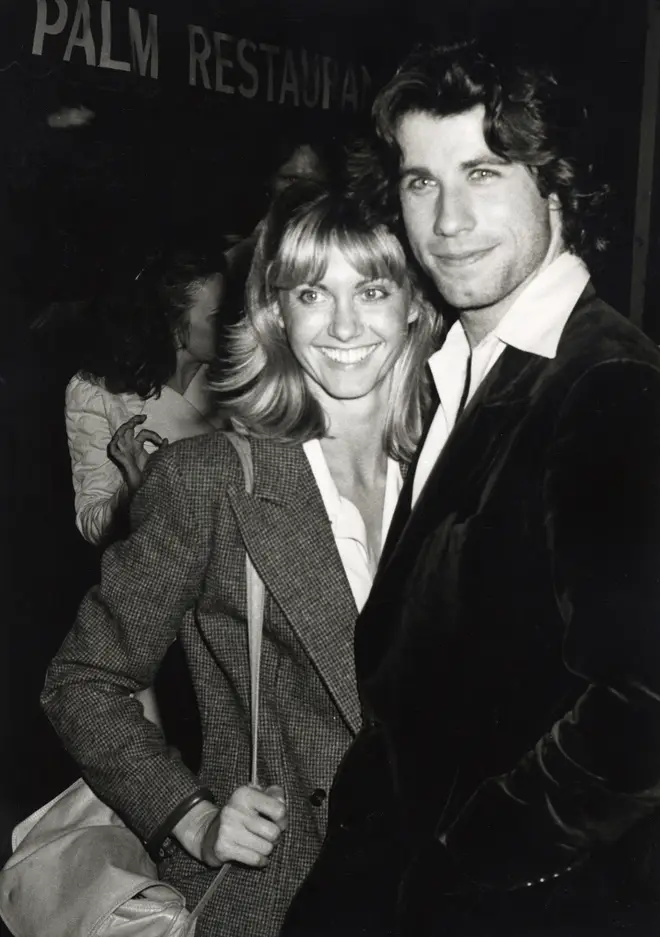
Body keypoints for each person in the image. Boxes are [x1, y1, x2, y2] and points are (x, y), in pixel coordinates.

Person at [281, 39, 660, 937]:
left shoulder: (607, 387)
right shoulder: (470, 367)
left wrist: (464, 869)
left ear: (556, 185)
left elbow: (646, 704)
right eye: (421, 181)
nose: (447, 219)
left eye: (483, 171)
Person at [41, 184, 439, 937]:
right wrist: (189, 816)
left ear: (414, 305)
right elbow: (82, 682)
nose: (346, 324)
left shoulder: (454, 472)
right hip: (284, 894)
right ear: (275, 315)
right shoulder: (211, 478)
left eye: (374, 288)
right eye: (313, 293)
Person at [64, 247, 226, 547]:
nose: (231, 325)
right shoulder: (100, 393)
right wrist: (134, 489)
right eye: (217, 316)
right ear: (176, 326)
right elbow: (92, 524)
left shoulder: (237, 375)